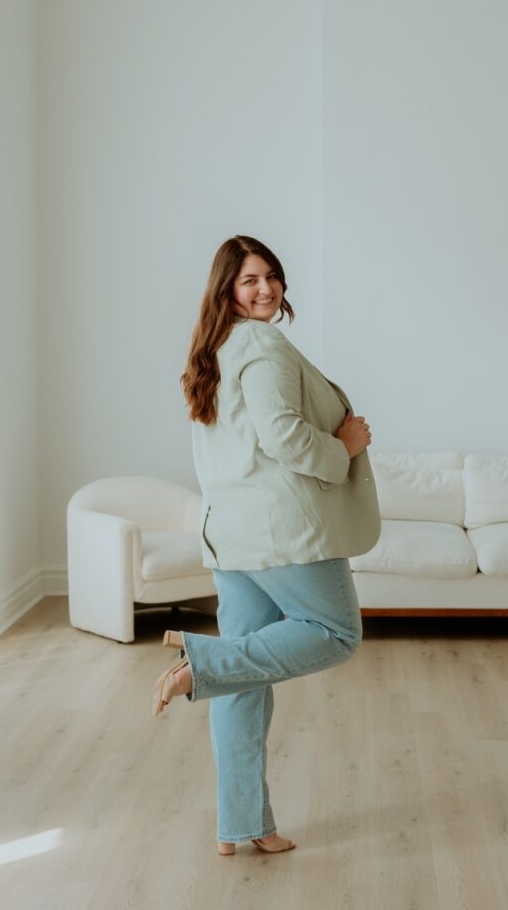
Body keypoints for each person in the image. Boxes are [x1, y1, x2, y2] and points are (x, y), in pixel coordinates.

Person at [156, 235, 381, 857]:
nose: (265, 289)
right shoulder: (261, 343)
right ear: (227, 289)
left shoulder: (213, 351)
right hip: (284, 532)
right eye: (250, 280)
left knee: (243, 682)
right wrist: (346, 448)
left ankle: (241, 826)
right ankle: (201, 664)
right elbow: (283, 434)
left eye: (271, 277)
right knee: (338, 633)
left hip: (229, 536)